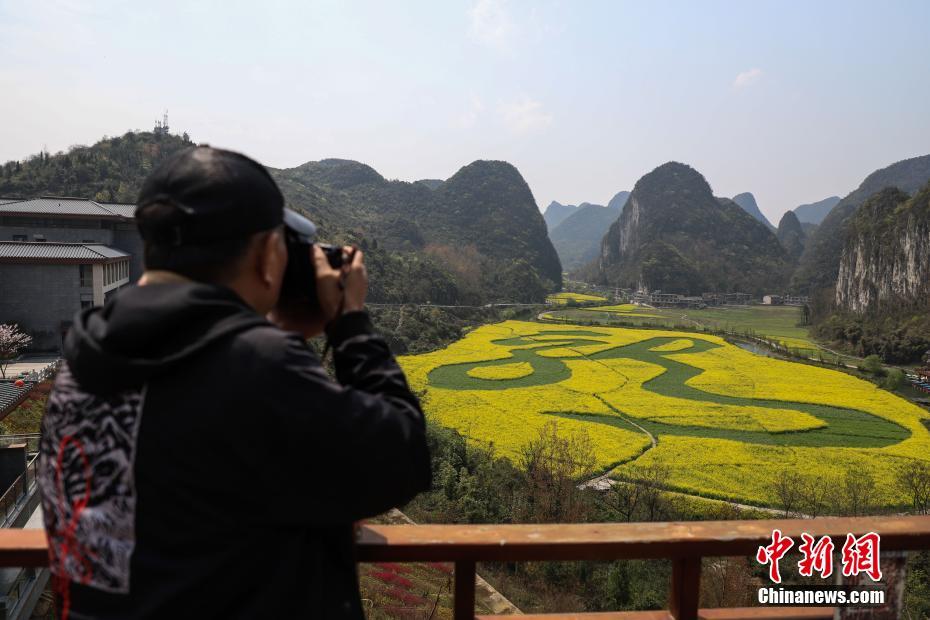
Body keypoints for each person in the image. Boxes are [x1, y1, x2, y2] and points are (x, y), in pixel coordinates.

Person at [37, 146, 431, 619]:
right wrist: (350, 324)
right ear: (268, 254)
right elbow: (401, 457)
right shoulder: (256, 368)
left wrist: (272, 336)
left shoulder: (81, 365)